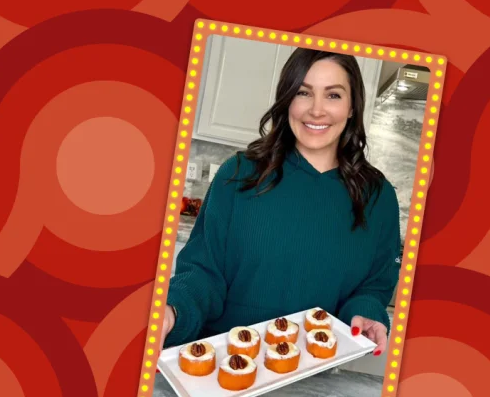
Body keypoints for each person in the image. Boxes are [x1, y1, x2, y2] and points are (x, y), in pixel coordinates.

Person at [161, 47, 400, 357]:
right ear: (288, 99)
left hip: (314, 377)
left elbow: (373, 287)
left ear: (353, 106)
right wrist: (172, 309)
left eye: (333, 95)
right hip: (220, 368)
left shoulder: (379, 197)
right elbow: (203, 273)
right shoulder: (238, 174)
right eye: (303, 92)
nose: (316, 110)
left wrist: (366, 314)